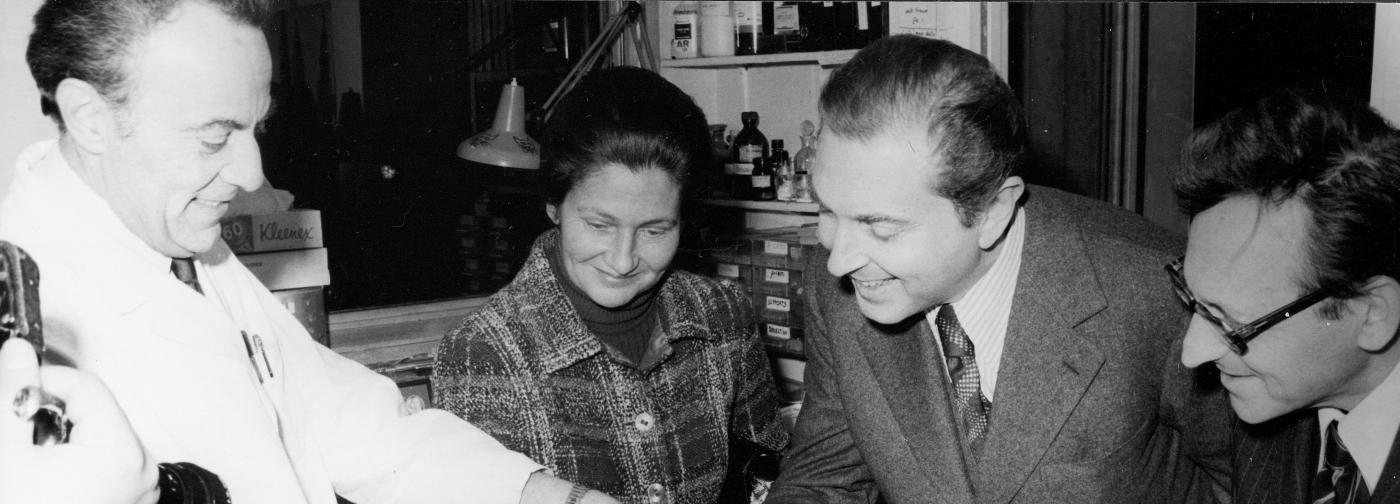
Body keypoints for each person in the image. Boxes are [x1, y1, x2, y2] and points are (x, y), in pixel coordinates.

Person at [0, 0, 618, 502]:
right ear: (90, 117)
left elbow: (343, 418)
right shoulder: (25, 326)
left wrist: (550, 496)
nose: (249, 174)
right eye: (216, 137)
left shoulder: (180, 243)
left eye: (255, 128)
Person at [765, 35, 1232, 503]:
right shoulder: (844, 287)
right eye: (827, 211)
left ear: (992, 212)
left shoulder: (1157, 290)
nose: (838, 259)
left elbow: (1252, 483)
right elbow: (825, 480)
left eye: (881, 227)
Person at [432, 66, 789, 504]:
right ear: (553, 206)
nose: (622, 261)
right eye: (599, 225)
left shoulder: (721, 314)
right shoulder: (482, 354)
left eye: (656, 230)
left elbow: (769, 480)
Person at [1173, 88, 1400, 503]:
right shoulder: (1269, 408)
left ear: (1372, 315)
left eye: (1231, 322)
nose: (1192, 354)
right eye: (1195, 300)